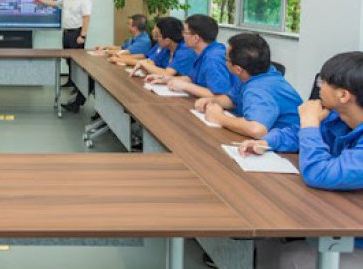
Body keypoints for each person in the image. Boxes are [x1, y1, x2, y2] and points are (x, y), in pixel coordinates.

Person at [239, 51, 363, 268]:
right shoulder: (339, 116)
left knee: (292, 257)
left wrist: (309, 123)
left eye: (322, 81)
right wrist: (267, 142)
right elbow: (298, 134)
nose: (319, 87)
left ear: (343, 95)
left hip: (354, 235)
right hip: (339, 220)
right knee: (268, 241)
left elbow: (321, 173)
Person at [195, 33, 301, 138]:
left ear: (238, 69)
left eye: (226, 58)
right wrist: (212, 101)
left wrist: (219, 118)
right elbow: (233, 100)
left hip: (289, 147)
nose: (224, 61)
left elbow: (257, 129)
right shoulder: (255, 73)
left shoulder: (259, 88)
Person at [36, 0, 92, 113]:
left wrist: (82, 36)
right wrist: (41, 1)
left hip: (77, 34)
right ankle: (71, 82)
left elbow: (86, 18)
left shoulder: (84, 0)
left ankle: (78, 86)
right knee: (67, 60)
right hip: (66, 33)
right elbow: (55, 3)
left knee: (77, 62)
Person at [149, 14, 234, 98]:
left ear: (196, 38)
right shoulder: (202, 53)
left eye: (185, 32)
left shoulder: (213, 58)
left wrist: (186, 86)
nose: (183, 35)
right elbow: (192, 78)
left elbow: (220, 95)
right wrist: (165, 78)